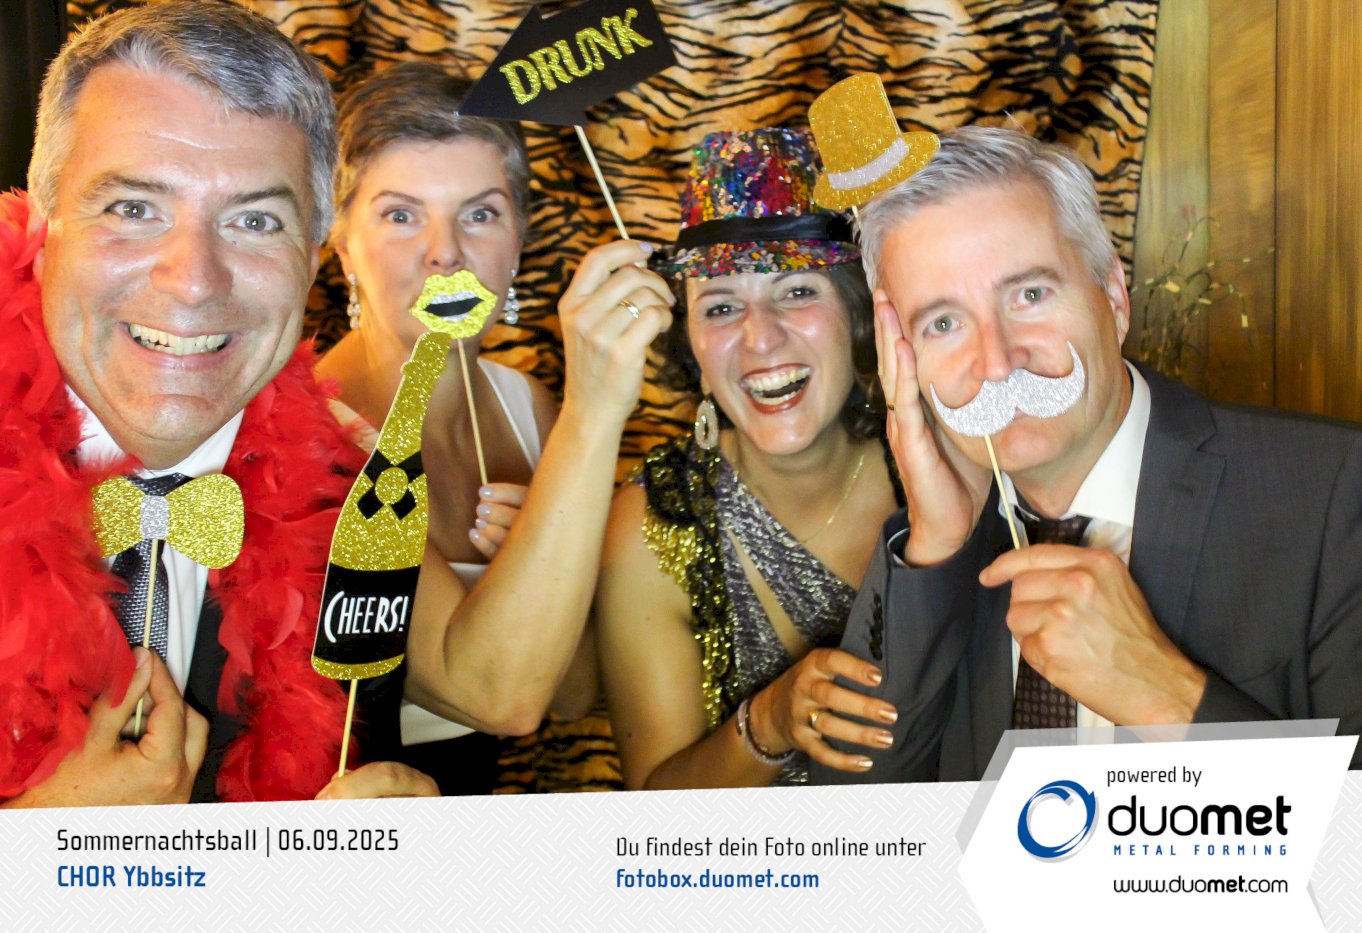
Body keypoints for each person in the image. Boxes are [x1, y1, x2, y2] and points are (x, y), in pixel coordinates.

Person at [0, 0, 664, 806]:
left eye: (254, 219)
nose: (194, 279)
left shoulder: (324, 482)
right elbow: (493, 688)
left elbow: (551, 695)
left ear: (309, 255)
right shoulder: (354, 436)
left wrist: (324, 853)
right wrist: (40, 846)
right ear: (42, 229)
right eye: (133, 208)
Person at [811, 126, 1362, 783]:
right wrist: (936, 546)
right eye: (943, 323)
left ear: (1114, 297)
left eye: (1029, 295)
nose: (997, 362)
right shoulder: (933, 548)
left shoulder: (1338, 494)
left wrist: (1163, 692)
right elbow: (854, 827)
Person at [314, 63, 593, 795]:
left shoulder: (528, 407)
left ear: (518, 240)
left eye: (480, 214)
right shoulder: (308, 433)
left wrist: (534, 559)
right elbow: (502, 699)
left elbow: (574, 693)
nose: (445, 252)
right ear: (342, 243)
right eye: (401, 215)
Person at [597, 128, 903, 789]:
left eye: (797, 292)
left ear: (855, 316)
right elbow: (656, 817)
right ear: (693, 352)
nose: (760, 338)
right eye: (721, 306)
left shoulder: (938, 464)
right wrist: (768, 722)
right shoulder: (656, 526)